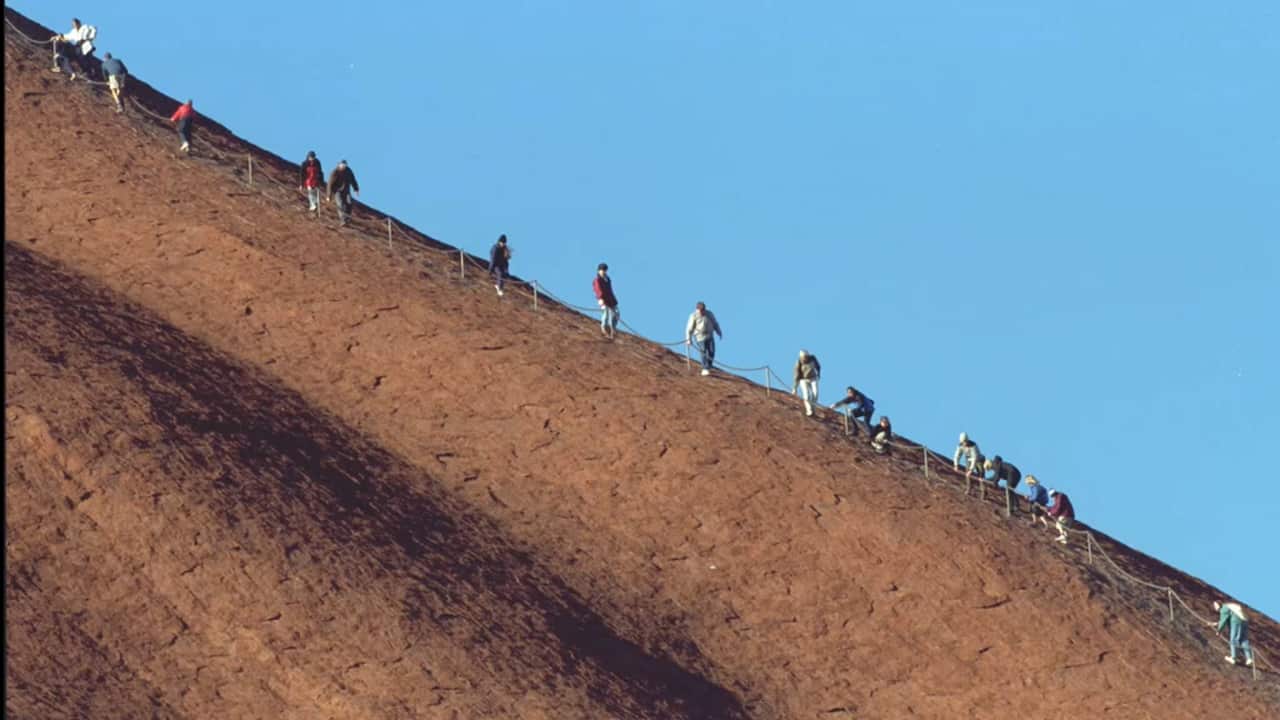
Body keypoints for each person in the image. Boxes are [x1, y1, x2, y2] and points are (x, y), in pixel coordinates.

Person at [1209, 600, 1255, 667]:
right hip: (1244, 621)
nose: (1214, 607)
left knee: (1233, 639)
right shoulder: (1228, 607)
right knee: (1244, 640)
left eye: (1215, 605)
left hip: (1236, 621)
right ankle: (1249, 658)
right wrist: (1215, 624)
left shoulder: (1223, 608)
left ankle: (1233, 658)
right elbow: (1224, 619)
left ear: (1219, 605)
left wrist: (1218, 631)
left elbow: (1223, 621)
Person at [684, 302, 722, 376]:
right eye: (700, 311)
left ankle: (709, 366)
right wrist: (688, 339)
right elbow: (689, 329)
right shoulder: (693, 316)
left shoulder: (709, 314)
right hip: (700, 337)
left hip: (710, 336)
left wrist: (718, 331)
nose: (702, 312)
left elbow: (715, 323)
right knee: (703, 351)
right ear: (697, 310)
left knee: (711, 352)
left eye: (703, 310)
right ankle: (705, 368)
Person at [327, 160, 360, 226]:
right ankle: (343, 220)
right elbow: (330, 184)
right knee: (340, 204)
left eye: (345, 165)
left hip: (346, 191)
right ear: (339, 165)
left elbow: (353, 179)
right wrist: (329, 195)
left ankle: (347, 218)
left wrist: (356, 189)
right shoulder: (335, 172)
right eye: (342, 165)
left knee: (349, 203)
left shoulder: (348, 171)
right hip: (337, 192)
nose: (343, 166)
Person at [593, 263, 619, 339]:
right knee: (606, 313)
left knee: (616, 313)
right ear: (598, 271)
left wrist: (614, 301)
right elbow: (597, 290)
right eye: (602, 270)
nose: (604, 271)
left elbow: (610, 291)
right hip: (603, 299)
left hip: (610, 300)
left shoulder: (607, 280)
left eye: (605, 270)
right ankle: (604, 328)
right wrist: (600, 298)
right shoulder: (597, 280)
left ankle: (613, 329)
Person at [792, 350, 822, 417]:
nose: (805, 358)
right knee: (806, 395)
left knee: (815, 394)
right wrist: (795, 388)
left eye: (806, 356)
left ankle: (813, 408)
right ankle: (809, 410)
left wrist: (818, 374)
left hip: (813, 378)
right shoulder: (799, 362)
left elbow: (818, 366)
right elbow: (796, 375)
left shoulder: (813, 358)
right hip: (803, 379)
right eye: (803, 357)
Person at [297, 151, 325, 216]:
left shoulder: (317, 162)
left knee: (315, 194)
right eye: (311, 157)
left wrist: (322, 182)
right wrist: (301, 184)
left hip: (316, 181)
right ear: (308, 157)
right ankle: (313, 205)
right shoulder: (304, 163)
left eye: (313, 157)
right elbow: (301, 174)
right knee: (310, 192)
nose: (312, 158)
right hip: (309, 181)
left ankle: (315, 206)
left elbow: (320, 172)